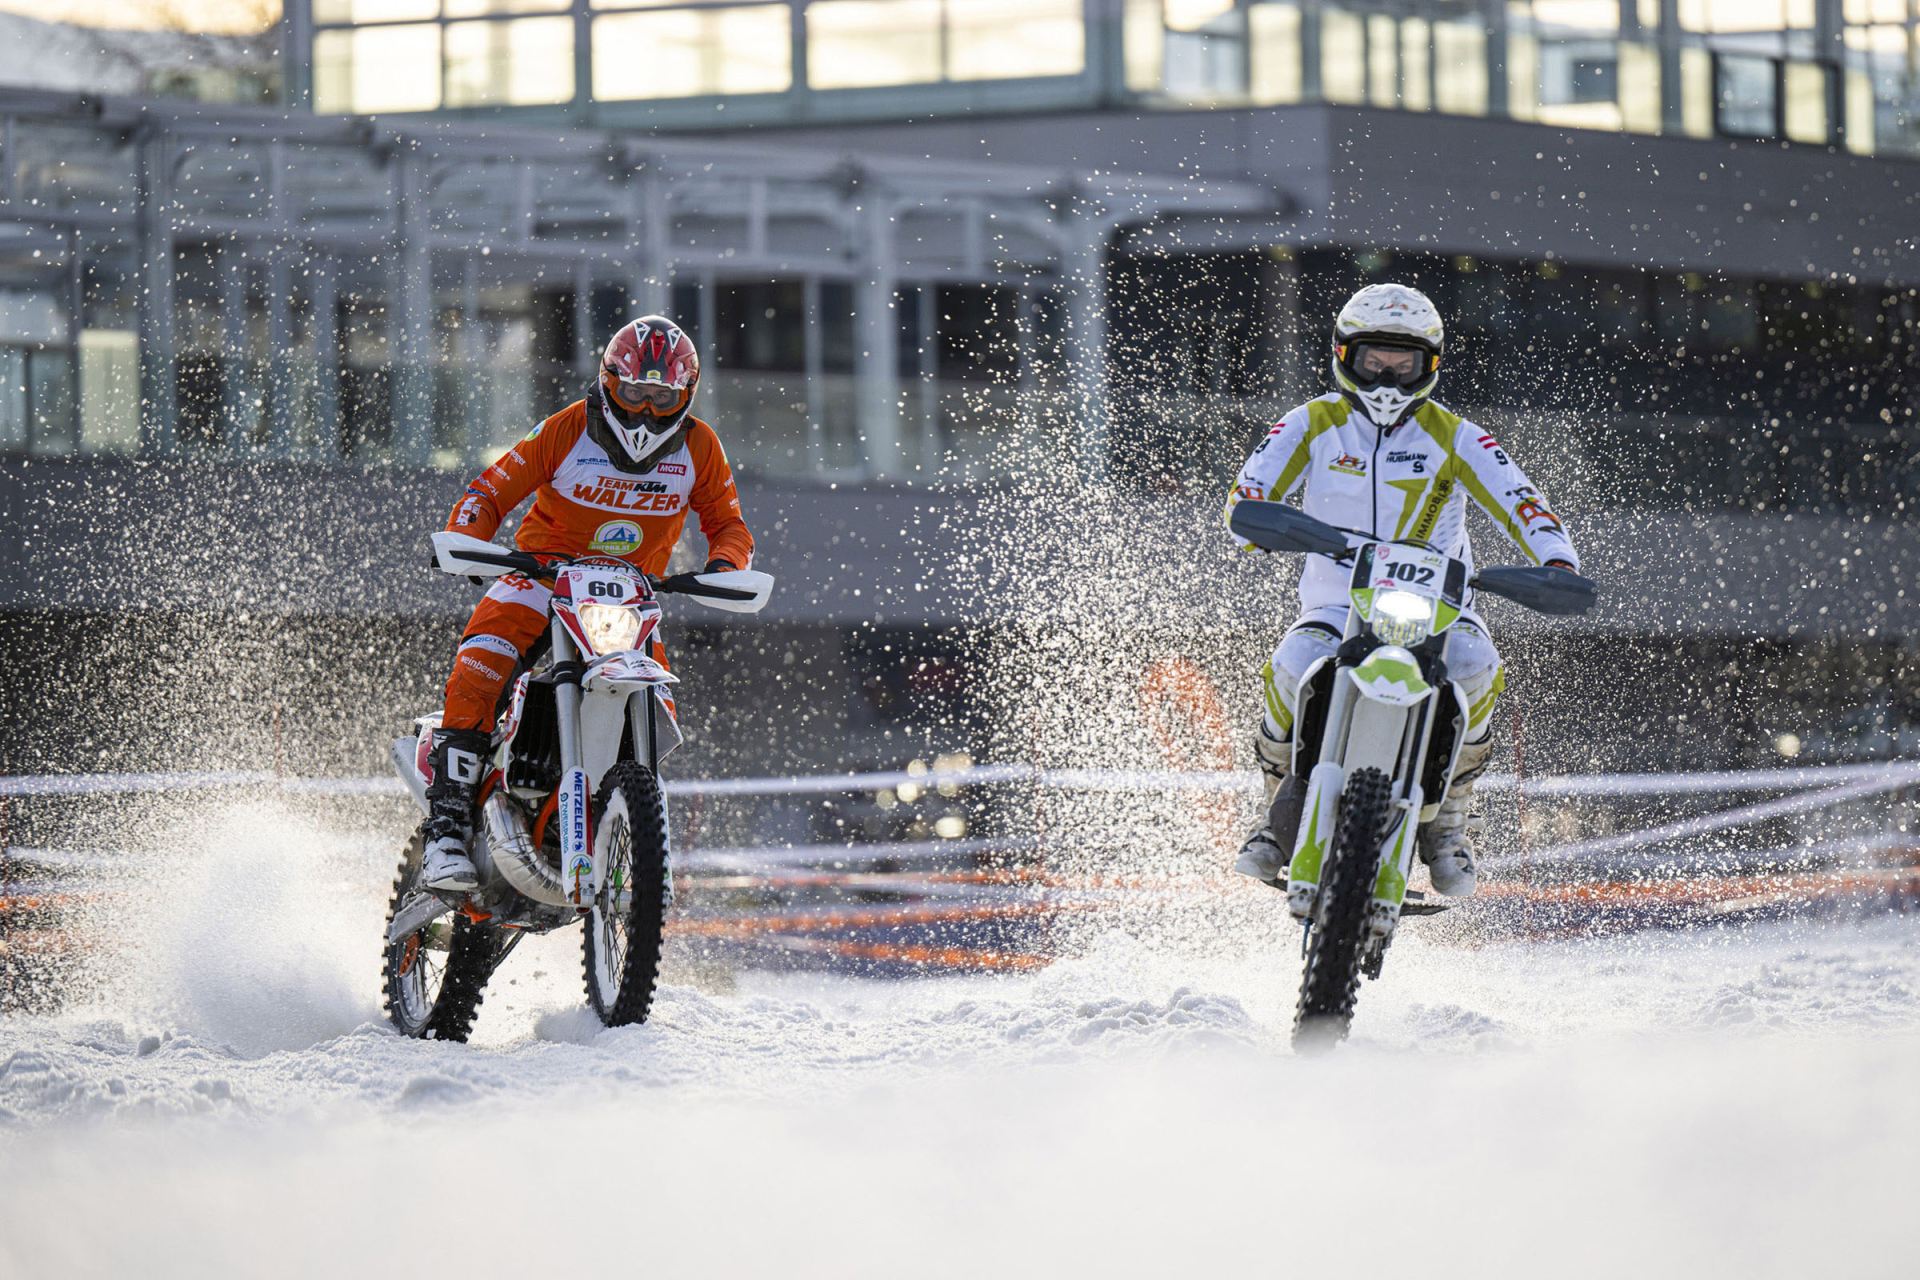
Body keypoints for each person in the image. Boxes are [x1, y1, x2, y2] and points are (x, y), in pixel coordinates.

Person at [1225, 283, 1579, 898]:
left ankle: (1449, 822)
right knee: (1290, 665)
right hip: (1338, 604)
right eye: (1374, 359)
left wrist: (1557, 561)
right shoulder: (1312, 423)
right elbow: (1247, 495)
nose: (1387, 374)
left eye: (1403, 362)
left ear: (1429, 366)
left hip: (1440, 608)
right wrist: (1258, 523)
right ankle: (1273, 813)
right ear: (1345, 355)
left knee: (1478, 665)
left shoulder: (1458, 435)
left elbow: (1522, 501)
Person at [421, 315, 754, 891]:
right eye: (635, 393)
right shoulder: (568, 427)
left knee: (658, 713)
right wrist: (471, 537)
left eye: (662, 397)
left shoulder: (700, 445)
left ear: (685, 396)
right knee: (483, 659)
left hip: (629, 597)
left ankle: (617, 824)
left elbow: (728, 524)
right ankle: (446, 832)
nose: (647, 410)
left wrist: (726, 568)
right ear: (608, 382)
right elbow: (491, 488)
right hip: (541, 578)